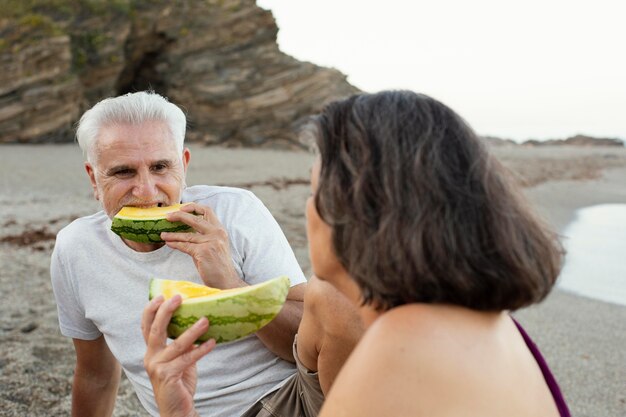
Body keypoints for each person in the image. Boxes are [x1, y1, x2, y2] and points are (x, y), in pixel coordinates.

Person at [143, 90, 571, 417]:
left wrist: (178, 409)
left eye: (315, 193)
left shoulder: (396, 352)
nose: (310, 209)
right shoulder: (492, 325)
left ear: (358, 213)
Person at [50, 91, 355, 417]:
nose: (146, 191)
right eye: (123, 172)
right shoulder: (75, 250)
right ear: (93, 178)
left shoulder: (236, 211)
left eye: (160, 167)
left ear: (183, 165)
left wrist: (230, 283)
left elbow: (311, 342)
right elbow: (96, 375)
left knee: (333, 298)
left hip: (289, 399)